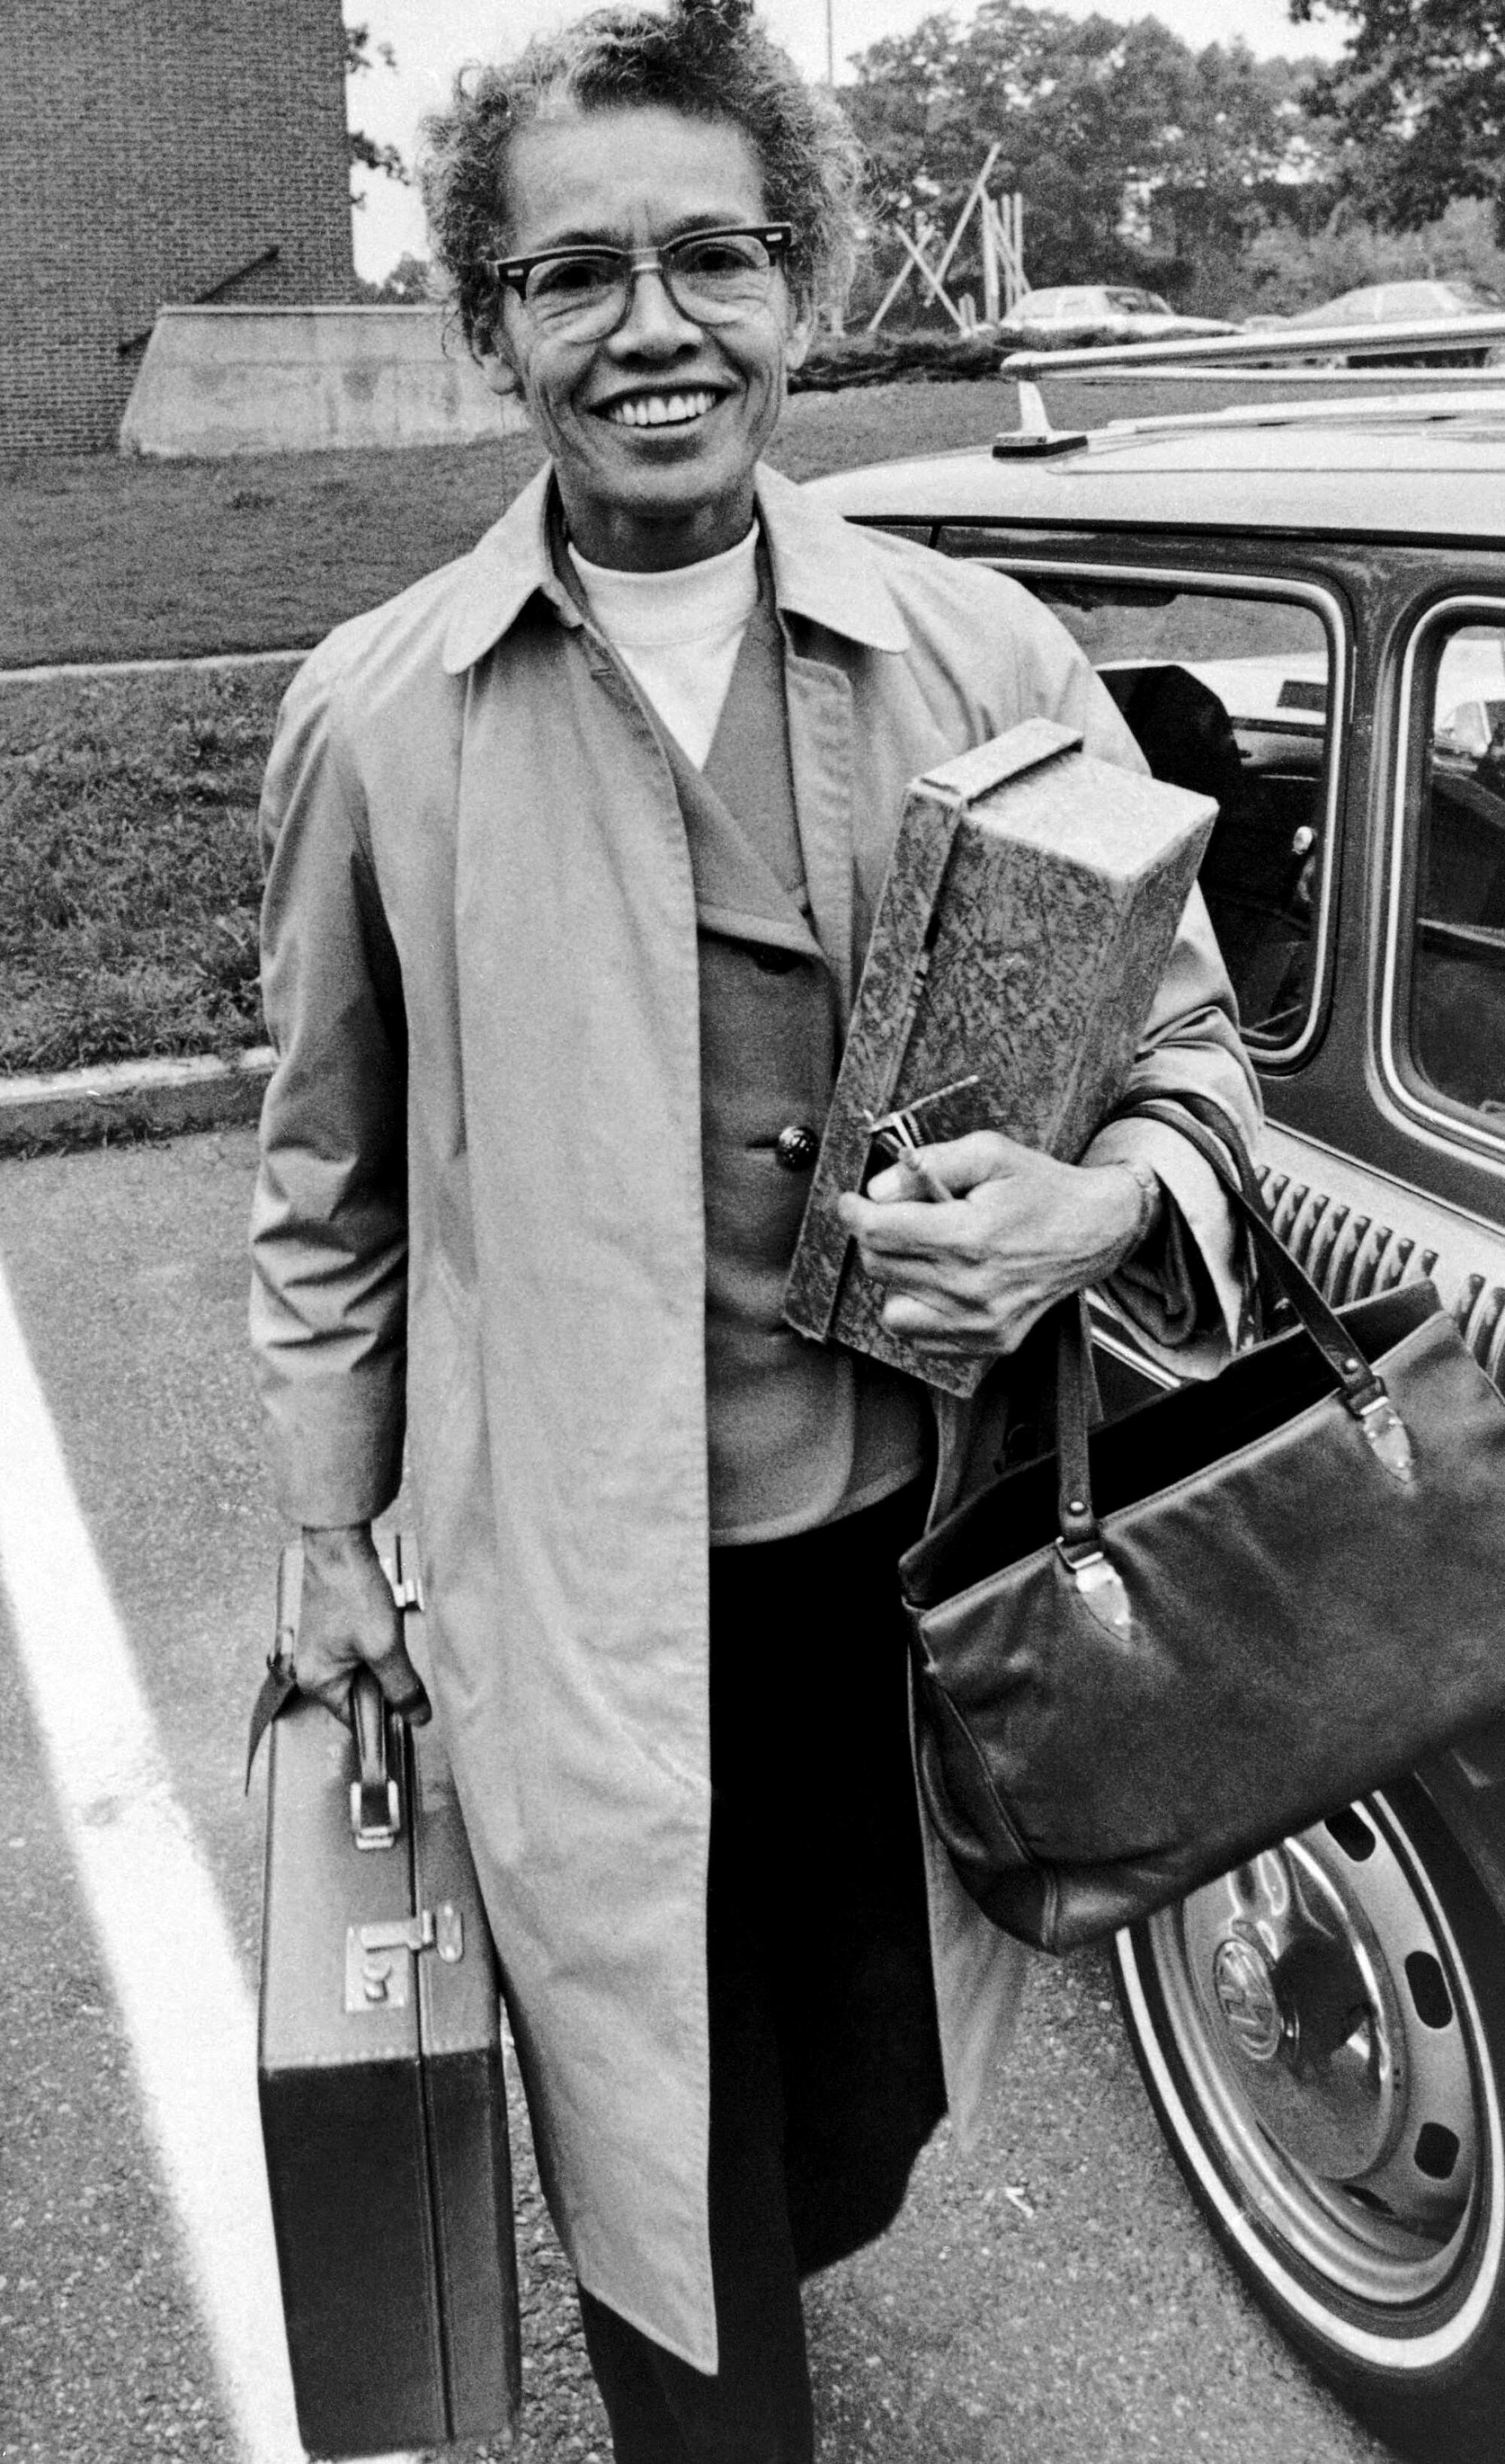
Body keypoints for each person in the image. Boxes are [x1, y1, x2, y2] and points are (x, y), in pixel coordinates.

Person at [249, 5, 1259, 2455]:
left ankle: (758, 2239)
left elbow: (1195, 1067)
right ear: (489, 321)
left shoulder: (988, 659)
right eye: (574, 272)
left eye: (714, 255)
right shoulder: (377, 714)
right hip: (580, 1613)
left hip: (912, 1575)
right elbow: (323, 1171)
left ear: (803, 290)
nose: (653, 328)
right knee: (670, 2208)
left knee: (847, 2110)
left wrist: (1096, 1203)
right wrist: (327, 1539)